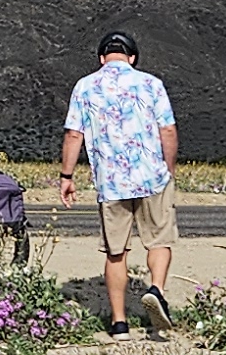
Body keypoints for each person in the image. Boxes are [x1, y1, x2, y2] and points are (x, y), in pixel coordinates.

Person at [56, 30, 177, 337]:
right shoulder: (151, 84)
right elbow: (168, 131)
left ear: (101, 58)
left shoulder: (85, 86)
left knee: (115, 252)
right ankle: (156, 289)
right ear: (132, 57)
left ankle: (119, 323)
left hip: (111, 182)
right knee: (159, 240)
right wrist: (169, 169)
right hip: (152, 176)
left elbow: (73, 134)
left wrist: (67, 176)